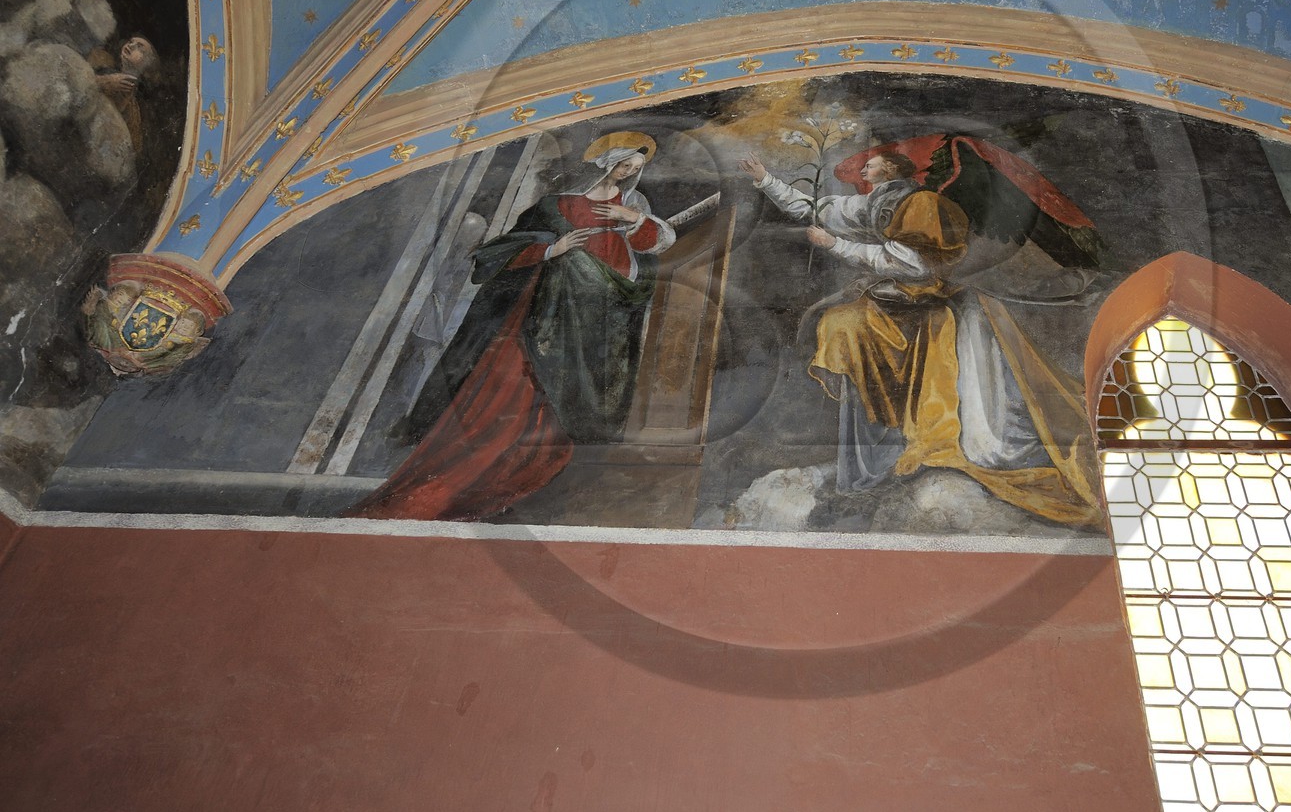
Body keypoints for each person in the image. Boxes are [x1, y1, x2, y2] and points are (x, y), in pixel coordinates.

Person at [740, 147, 1100, 526]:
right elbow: (815, 208)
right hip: (895, 296)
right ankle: (875, 447)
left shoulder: (922, 204)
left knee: (843, 325)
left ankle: (905, 438)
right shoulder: (874, 203)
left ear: (892, 168)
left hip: (928, 298)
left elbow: (914, 263)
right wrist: (766, 179)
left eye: (870, 164)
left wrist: (836, 245)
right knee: (831, 322)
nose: (862, 170)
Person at [350, 132, 676, 521]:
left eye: (635, 168)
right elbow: (503, 250)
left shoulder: (633, 206)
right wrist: (554, 249)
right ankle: (474, 467)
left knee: (566, 396)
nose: (627, 173)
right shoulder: (556, 205)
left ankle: (534, 463)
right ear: (607, 161)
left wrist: (633, 219)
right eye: (624, 164)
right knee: (510, 387)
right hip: (540, 310)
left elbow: (654, 247)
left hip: (594, 319)